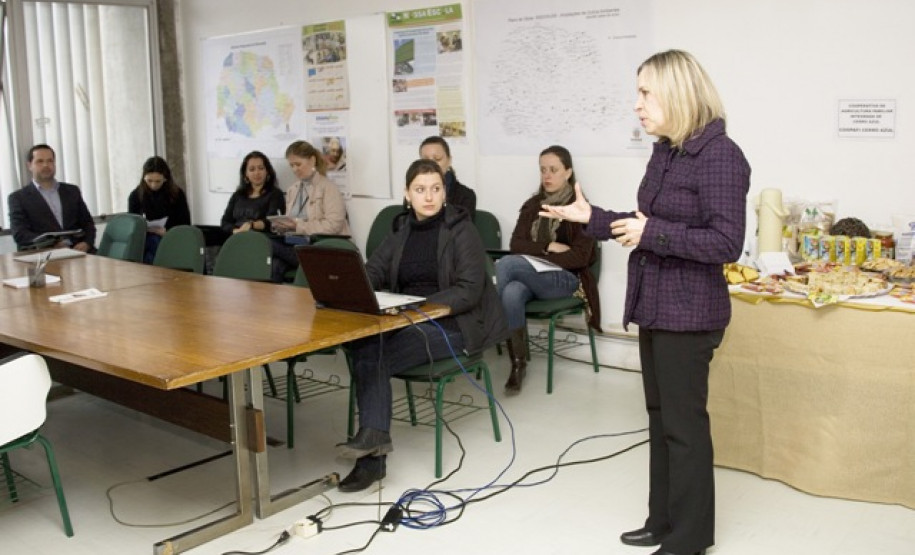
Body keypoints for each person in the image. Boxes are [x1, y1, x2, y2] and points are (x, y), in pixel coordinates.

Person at [539, 50, 751, 555]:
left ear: (677, 92)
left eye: (645, 92)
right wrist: (591, 217)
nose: (637, 104)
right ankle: (662, 520)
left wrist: (652, 232)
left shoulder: (721, 155)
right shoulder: (666, 152)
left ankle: (691, 538)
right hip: (657, 305)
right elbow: (642, 223)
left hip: (690, 312)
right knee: (659, 419)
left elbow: (726, 243)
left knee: (684, 427)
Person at [334, 158, 507, 493]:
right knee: (365, 344)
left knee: (374, 354)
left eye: (436, 189)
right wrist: (354, 288)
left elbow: (469, 290)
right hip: (410, 319)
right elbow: (374, 270)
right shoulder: (401, 230)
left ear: (445, 192)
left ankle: (371, 458)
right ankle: (374, 444)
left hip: (456, 325)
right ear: (407, 194)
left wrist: (417, 306)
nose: (429, 197)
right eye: (420, 189)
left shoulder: (462, 230)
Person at [496, 145, 600, 395]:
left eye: (553, 170)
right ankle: (518, 363)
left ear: (568, 172)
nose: (547, 175)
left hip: (566, 279)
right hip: (532, 275)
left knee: (506, 264)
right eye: (543, 170)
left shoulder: (580, 209)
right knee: (511, 292)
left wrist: (542, 258)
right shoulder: (533, 205)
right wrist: (548, 247)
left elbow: (580, 257)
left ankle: (492, 328)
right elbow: (516, 244)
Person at [270, 140, 350, 282]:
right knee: (274, 264)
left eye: (298, 164)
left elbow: (333, 226)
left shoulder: (329, 188)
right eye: (292, 165)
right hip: (296, 244)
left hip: (322, 247)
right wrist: (281, 227)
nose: (295, 169)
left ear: (312, 160)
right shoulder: (292, 190)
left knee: (268, 245)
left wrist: (298, 226)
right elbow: (291, 222)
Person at [8, 144, 97, 252]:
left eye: (50, 161)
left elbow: (88, 223)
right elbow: (20, 233)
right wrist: (51, 244)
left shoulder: (72, 191)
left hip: (79, 252)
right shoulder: (18, 198)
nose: (46, 165)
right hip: (43, 254)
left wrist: (87, 243)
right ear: (29, 165)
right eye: (40, 161)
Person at [127, 156, 191, 264]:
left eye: (158, 181)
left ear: (165, 179)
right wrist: (145, 229)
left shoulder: (176, 194)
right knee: (151, 243)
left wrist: (167, 232)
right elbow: (132, 225)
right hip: (145, 238)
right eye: (149, 181)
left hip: (171, 237)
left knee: (155, 244)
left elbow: (185, 224)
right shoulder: (136, 196)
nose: (153, 185)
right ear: (144, 178)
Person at [220, 151, 285, 237]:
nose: (257, 173)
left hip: (261, 239)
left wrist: (252, 225)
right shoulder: (238, 195)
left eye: (261, 168)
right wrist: (236, 231)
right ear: (245, 174)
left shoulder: (275, 194)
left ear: (267, 171)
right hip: (237, 237)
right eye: (252, 169)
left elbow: (272, 222)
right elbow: (225, 222)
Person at [419, 135, 476, 219]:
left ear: (449, 160)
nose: (431, 164)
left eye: (437, 159)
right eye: (425, 160)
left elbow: (462, 226)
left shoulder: (465, 195)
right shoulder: (414, 191)